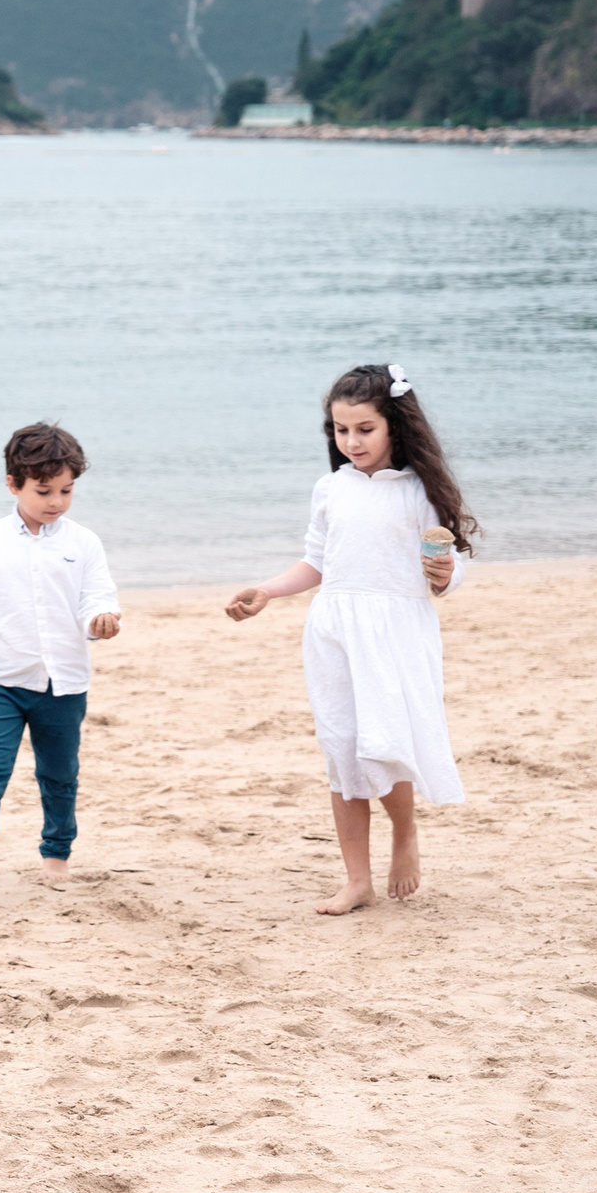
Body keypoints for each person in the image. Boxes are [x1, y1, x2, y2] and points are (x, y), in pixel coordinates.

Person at [224, 363, 475, 916]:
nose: (352, 441)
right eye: (341, 430)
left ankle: (405, 835)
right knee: (343, 753)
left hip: (395, 631)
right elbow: (317, 560)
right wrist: (267, 591)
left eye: (364, 428)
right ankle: (356, 879)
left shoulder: (418, 492)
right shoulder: (330, 489)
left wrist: (444, 576)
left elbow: (449, 563)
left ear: (394, 426)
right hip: (334, 630)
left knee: (383, 744)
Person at [0, 422, 122, 897]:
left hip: (63, 683)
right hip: (0, 680)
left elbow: (96, 597)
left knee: (59, 774)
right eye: (44, 490)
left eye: (66, 490)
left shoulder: (83, 542)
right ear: (13, 484)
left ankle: (57, 853)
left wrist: (102, 618)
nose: (56, 501)